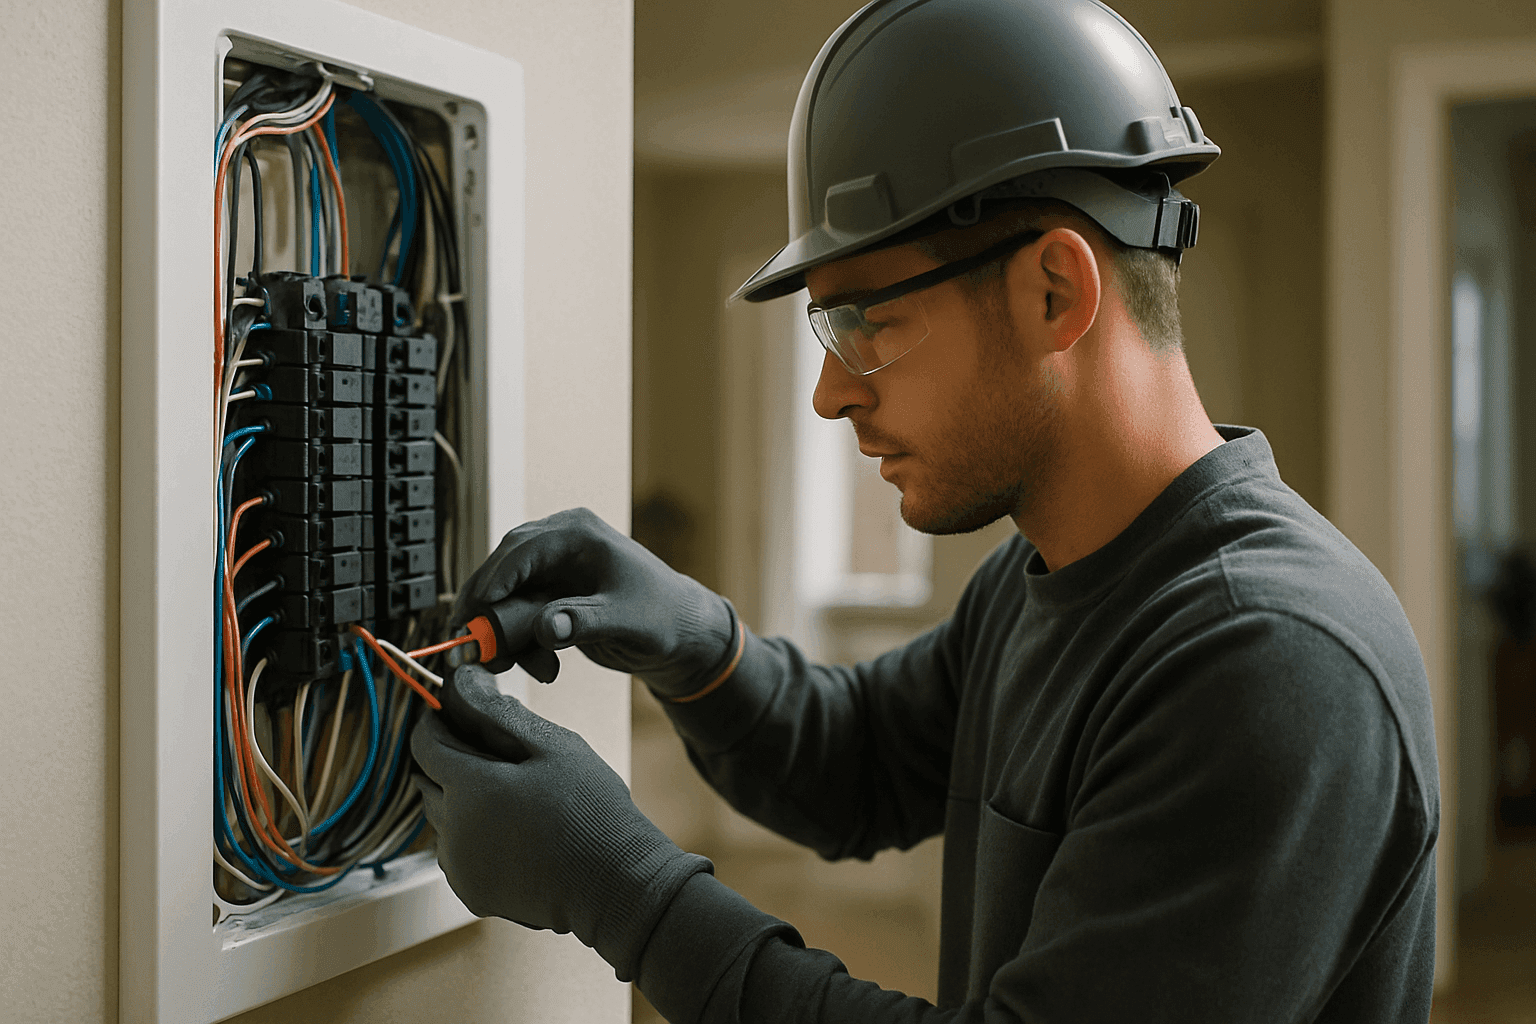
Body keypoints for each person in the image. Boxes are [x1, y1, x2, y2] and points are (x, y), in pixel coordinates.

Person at [410, 1, 1440, 1020]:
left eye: (867, 320)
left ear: (1054, 292)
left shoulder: (1271, 662)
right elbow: (852, 762)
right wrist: (699, 645)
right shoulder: (1042, 576)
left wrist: (617, 886)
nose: (830, 391)